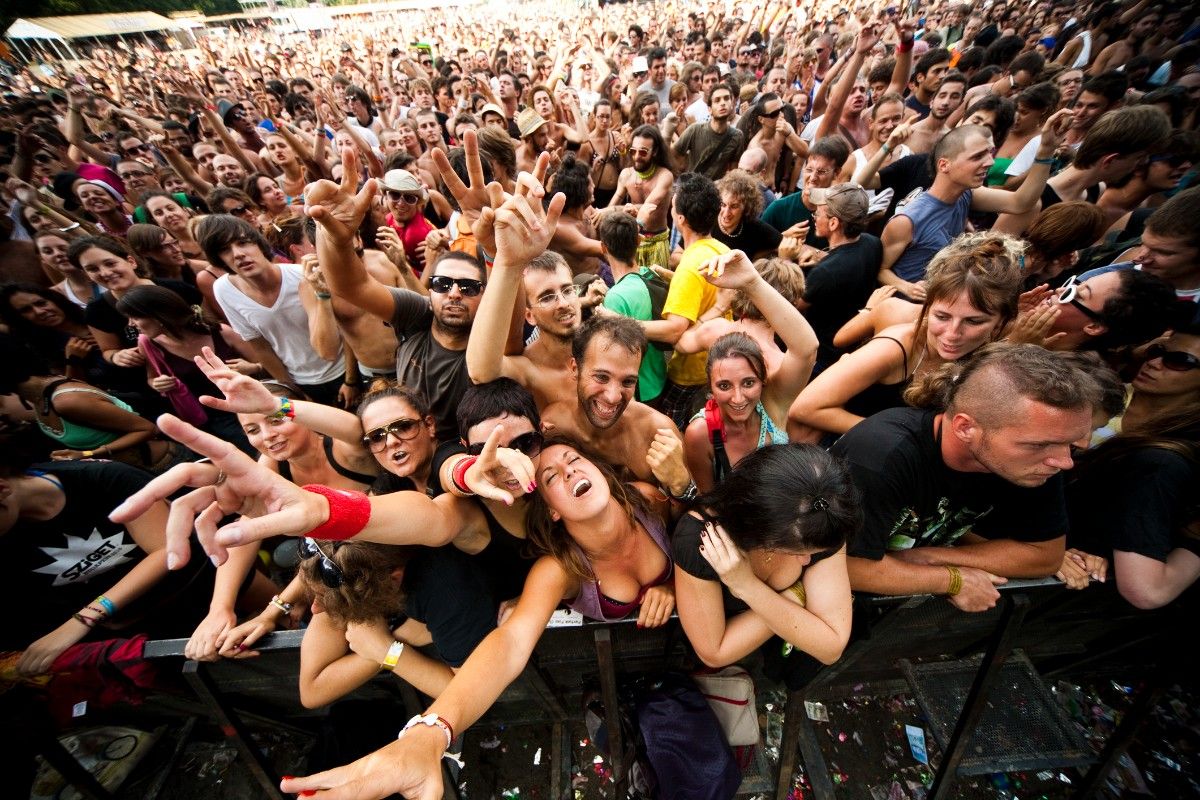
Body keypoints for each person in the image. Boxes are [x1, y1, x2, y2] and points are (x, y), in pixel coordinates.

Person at [108, 423, 677, 800]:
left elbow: (703, 532)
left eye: (575, 460)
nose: (570, 471)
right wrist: (428, 731)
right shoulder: (556, 569)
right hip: (626, 680)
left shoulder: (650, 501)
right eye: (550, 475)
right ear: (547, 511)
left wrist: (678, 581)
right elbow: (500, 629)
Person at [832, 343, 1103, 611]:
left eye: (1070, 444)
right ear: (965, 427)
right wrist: (951, 579)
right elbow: (844, 564)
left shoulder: (1037, 461)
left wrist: (930, 558)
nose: (1064, 462)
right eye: (1038, 445)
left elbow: (1045, 556)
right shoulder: (880, 455)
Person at [309, 147, 481, 441]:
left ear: (485, 296)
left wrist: (495, 249)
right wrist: (337, 240)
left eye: (468, 287)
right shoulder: (417, 314)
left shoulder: (487, 335)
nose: (454, 293)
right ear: (429, 291)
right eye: (441, 284)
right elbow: (351, 286)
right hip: (407, 437)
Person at [790, 232, 1023, 444]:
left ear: (1001, 322)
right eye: (941, 316)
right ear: (927, 306)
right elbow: (805, 407)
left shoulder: (998, 344)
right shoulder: (896, 346)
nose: (952, 334)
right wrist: (905, 440)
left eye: (973, 321)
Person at [672, 444, 858, 671]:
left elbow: (831, 647)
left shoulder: (825, 518)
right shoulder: (699, 539)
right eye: (795, 553)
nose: (807, 562)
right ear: (761, 534)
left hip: (784, 662)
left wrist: (746, 586)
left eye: (812, 553)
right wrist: (797, 598)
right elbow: (715, 652)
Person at [879, 113, 1069, 300]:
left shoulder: (967, 194)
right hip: (904, 307)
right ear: (944, 165)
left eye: (989, 153)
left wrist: (1046, 150)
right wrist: (906, 287)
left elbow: (1022, 202)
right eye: (977, 157)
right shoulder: (907, 220)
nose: (990, 162)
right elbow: (880, 270)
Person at [676, 250, 816, 491]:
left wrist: (734, 296)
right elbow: (705, 497)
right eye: (724, 385)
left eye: (749, 382)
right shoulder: (779, 361)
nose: (739, 397)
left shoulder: (717, 328)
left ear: (763, 380)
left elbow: (681, 342)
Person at [198, 214, 347, 406]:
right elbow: (260, 346)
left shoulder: (302, 277)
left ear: (259, 244)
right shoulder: (224, 290)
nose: (238, 254)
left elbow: (346, 328)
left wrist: (351, 380)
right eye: (225, 250)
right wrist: (292, 391)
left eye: (243, 243)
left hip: (342, 371)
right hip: (300, 382)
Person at [113, 285, 260, 454]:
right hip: (215, 418)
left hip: (252, 402)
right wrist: (158, 384)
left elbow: (265, 364)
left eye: (134, 317)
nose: (131, 324)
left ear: (157, 314)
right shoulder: (148, 343)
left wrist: (252, 368)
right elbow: (151, 378)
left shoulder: (221, 332)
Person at [0, 335, 180, 472]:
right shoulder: (39, 397)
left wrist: (88, 454)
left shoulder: (66, 401)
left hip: (166, 463)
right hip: (139, 471)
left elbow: (147, 429)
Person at [652, 172, 729, 430]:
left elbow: (674, 330)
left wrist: (621, 321)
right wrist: (673, 278)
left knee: (673, 430)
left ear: (680, 218)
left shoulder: (690, 266)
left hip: (688, 373)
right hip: (715, 365)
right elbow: (708, 292)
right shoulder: (720, 250)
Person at [466, 250, 581, 410]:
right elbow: (481, 372)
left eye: (567, 291)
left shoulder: (601, 345)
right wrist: (496, 255)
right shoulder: (527, 369)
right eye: (546, 297)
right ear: (529, 316)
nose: (562, 303)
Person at [792, 184, 884, 372]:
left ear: (833, 223)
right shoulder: (872, 243)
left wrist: (786, 261)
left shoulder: (826, 273)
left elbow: (791, 308)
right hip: (849, 351)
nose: (815, 218)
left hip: (821, 358)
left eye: (818, 214)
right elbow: (846, 259)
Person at [595, 210, 668, 404]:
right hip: (660, 379)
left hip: (639, 394)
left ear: (603, 247)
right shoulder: (653, 275)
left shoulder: (615, 298)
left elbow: (617, 359)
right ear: (639, 241)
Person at [606, 124, 674, 269]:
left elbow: (648, 207)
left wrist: (612, 210)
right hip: (632, 245)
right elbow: (610, 210)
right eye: (633, 151)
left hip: (658, 244)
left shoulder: (665, 176)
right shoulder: (626, 175)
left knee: (658, 289)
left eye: (643, 152)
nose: (637, 157)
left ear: (655, 151)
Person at [672, 83, 744, 180]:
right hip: (692, 189)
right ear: (709, 109)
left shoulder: (737, 136)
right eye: (717, 100)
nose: (722, 103)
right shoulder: (695, 130)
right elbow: (673, 155)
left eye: (726, 98)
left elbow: (733, 172)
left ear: (732, 104)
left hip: (717, 191)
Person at [712, 170, 781, 259]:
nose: (726, 213)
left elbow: (782, 244)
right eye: (723, 205)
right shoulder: (708, 220)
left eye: (734, 206)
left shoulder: (752, 225)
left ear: (746, 206)